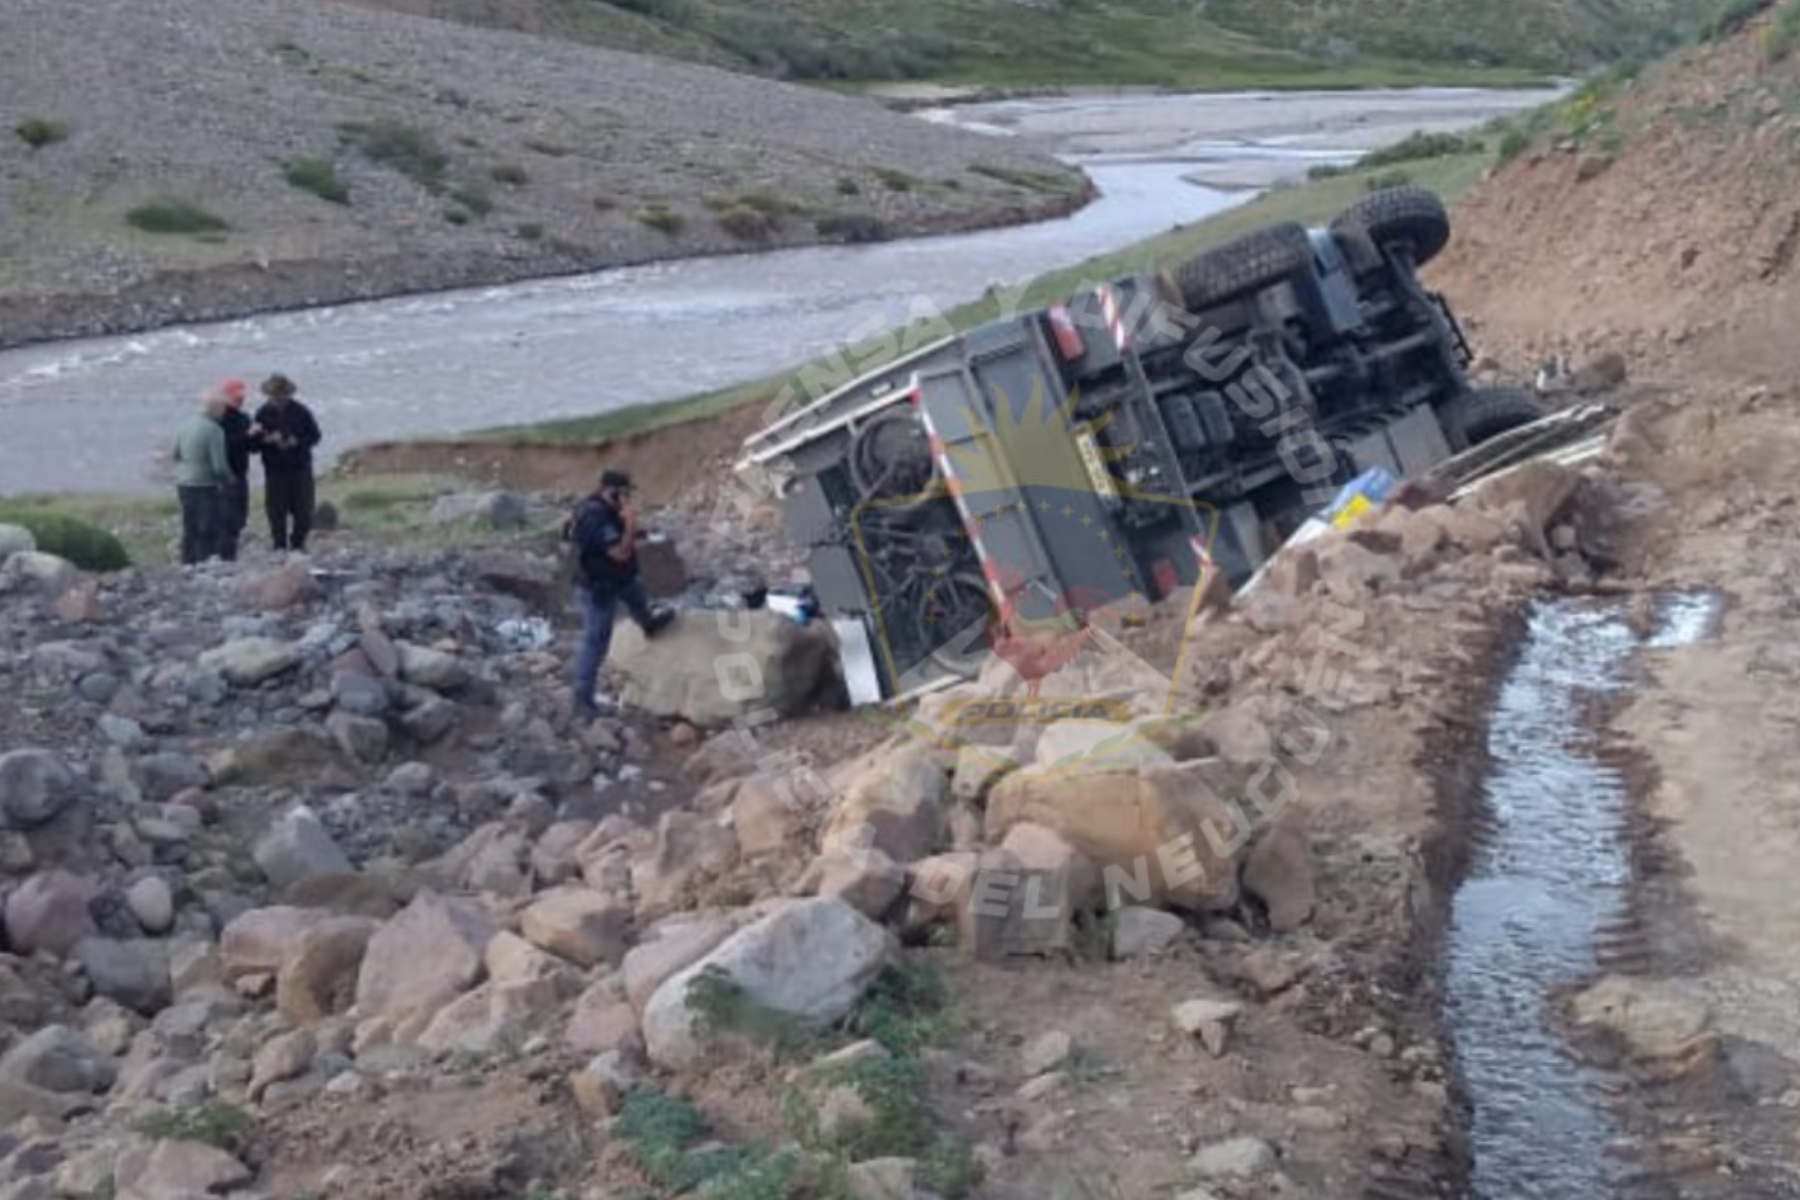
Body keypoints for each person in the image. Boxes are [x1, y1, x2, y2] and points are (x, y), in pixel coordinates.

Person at [564, 468, 673, 718]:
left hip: (620, 577)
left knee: (638, 596)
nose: (626, 500)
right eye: (623, 494)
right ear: (610, 491)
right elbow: (619, 552)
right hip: (599, 585)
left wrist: (639, 531)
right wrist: (630, 523)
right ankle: (582, 699)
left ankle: (648, 622)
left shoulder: (602, 508)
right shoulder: (595, 517)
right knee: (596, 640)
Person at [252, 373, 322, 552]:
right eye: (275, 396)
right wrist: (266, 440)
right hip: (275, 469)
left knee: (304, 509)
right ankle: (279, 545)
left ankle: (298, 542)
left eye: (282, 395)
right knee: (276, 511)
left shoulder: (301, 411)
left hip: (300, 467)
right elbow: (253, 443)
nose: (278, 399)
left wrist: (297, 441)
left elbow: (315, 436)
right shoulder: (262, 413)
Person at [171, 390, 232, 565]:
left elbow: (175, 454)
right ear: (216, 408)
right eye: (222, 408)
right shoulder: (214, 430)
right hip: (205, 484)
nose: (224, 412)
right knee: (207, 528)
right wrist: (228, 479)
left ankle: (186, 563)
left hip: (184, 482)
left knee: (189, 527)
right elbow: (219, 465)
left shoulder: (185, 426)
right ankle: (203, 564)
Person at [216, 378, 254, 561]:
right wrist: (247, 436)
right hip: (224, 476)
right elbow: (225, 446)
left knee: (239, 518)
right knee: (226, 520)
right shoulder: (218, 420)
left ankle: (229, 556)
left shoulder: (244, 418)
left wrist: (261, 437)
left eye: (241, 397)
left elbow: (251, 447)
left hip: (240, 474)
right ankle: (224, 558)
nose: (240, 400)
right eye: (236, 397)